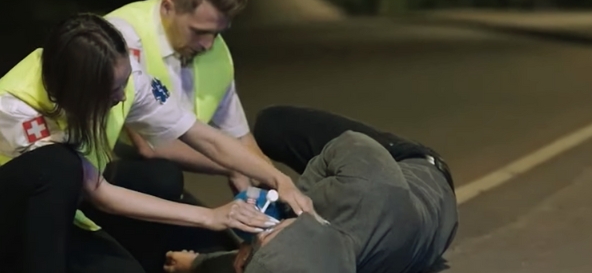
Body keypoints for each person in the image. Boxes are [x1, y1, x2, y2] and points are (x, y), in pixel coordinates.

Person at [0, 14, 306, 273]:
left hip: (47, 214)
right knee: (58, 166)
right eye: (114, 90)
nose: (124, 97)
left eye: (125, 82)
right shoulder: (14, 109)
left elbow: (203, 136)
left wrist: (276, 179)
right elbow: (100, 193)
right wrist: (210, 216)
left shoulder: (118, 76)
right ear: (78, 91)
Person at [163, 106, 459, 273]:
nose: (260, 232)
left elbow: (261, 265)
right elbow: (351, 143)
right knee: (273, 125)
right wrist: (292, 189)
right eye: (270, 232)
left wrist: (199, 264)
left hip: (409, 235)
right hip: (415, 169)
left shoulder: (328, 261)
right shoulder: (368, 189)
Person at [105, 0, 271, 192]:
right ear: (167, 7)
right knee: (163, 180)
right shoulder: (121, 38)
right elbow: (152, 147)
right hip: (90, 174)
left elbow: (239, 138)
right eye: (199, 31)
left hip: (140, 176)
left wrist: (274, 184)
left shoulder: (215, 53)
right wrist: (238, 167)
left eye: (216, 33)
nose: (208, 45)